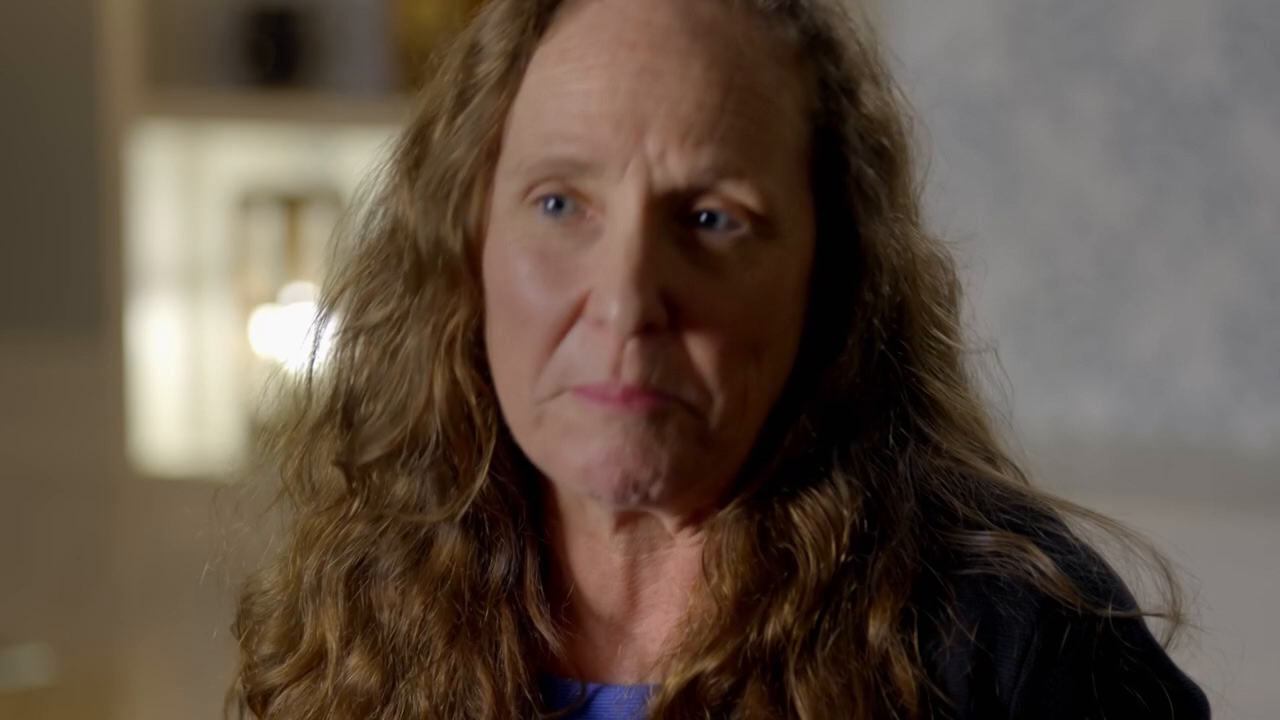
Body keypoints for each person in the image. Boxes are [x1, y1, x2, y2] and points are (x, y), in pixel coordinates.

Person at [231, 0, 1211, 718]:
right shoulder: (366, 607)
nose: (625, 302)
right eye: (560, 204)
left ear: (828, 275)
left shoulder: (1012, 645)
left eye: (710, 219)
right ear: (470, 248)